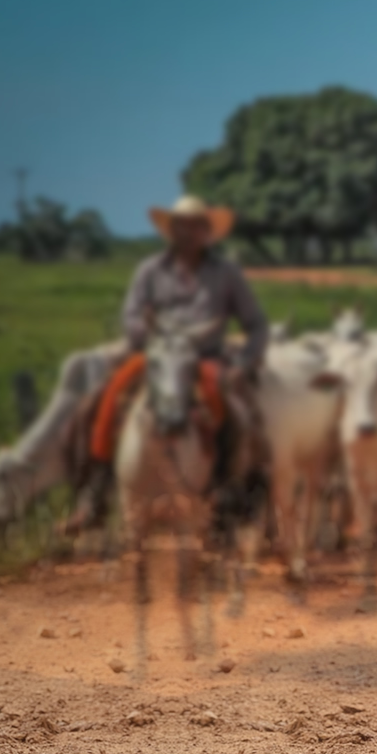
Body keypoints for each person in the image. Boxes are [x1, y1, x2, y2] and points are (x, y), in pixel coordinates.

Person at [62, 194, 270, 535]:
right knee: (102, 399)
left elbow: (257, 324)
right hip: (155, 355)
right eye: (181, 225)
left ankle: (225, 490)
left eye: (196, 226)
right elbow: (130, 317)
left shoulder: (226, 274)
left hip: (205, 358)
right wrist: (154, 335)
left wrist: (244, 363)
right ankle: (94, 494)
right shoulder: (150, 270)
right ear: (171, 230)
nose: (188, 232)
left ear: (207, 232)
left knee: (235, 410)